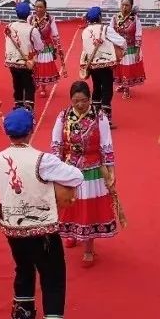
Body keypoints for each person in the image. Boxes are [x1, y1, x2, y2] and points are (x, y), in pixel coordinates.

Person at [0, 108, 84, 319]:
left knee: (22, 267)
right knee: (53, 277)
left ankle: (22, 316)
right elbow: (76, 175)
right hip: (41, 228)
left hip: (11, 227)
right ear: (30, 131)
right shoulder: (42, 160)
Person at [52, 81, 118, 267]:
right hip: (69, 168)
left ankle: (89, 248)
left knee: (88, 209)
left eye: (83, 101)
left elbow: (106, 145)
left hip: (92, 169)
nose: (80, 105)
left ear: (90, 99)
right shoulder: (63, 116)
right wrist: (56, 168)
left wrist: (111, 171)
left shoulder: (99, 116)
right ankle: (72, 233)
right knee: (69, 204)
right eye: (75, 101)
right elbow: (56, 144)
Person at [79, 7, 126, 126]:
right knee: (107, 89)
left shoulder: (85, 31)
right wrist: (122, 52)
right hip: (106, 64)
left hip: (92, 65)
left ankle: (94, 115)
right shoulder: (105, 29)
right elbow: (121, 42)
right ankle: (106, 118)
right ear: (100, 17)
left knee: (96, 88)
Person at [3, 1, 43, 115]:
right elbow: (39, 46)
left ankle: (18, 105)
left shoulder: (9, 26)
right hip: (26, 62)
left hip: (11, 61)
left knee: (17, 83)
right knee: (29, 85)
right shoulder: (31, 29)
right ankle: (29, 109)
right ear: (29, 14)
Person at [112, 0, 145, 98]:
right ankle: (122, 84)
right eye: (122, 5)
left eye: (127, 5)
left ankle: (127, 89)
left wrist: (137, 51)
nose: (124, 7)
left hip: (130, 48)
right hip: (118, 48)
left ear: (131, 7)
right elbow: (111, 33)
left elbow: (138, 35)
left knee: (127, 68)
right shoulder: (115, 18)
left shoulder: (135, 19)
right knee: (119, 68)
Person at [31, 0, 63, 97]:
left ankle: (43, 87)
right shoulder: (30, 18)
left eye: (41, 7)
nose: (38, 9)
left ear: (45, 8)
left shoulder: (50, 18)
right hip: (33, 45)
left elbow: (55, 33)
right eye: (36, 7)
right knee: (33, 66)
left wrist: (58, 46)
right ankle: (34, 83)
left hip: (45, 45)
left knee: (43, 66)